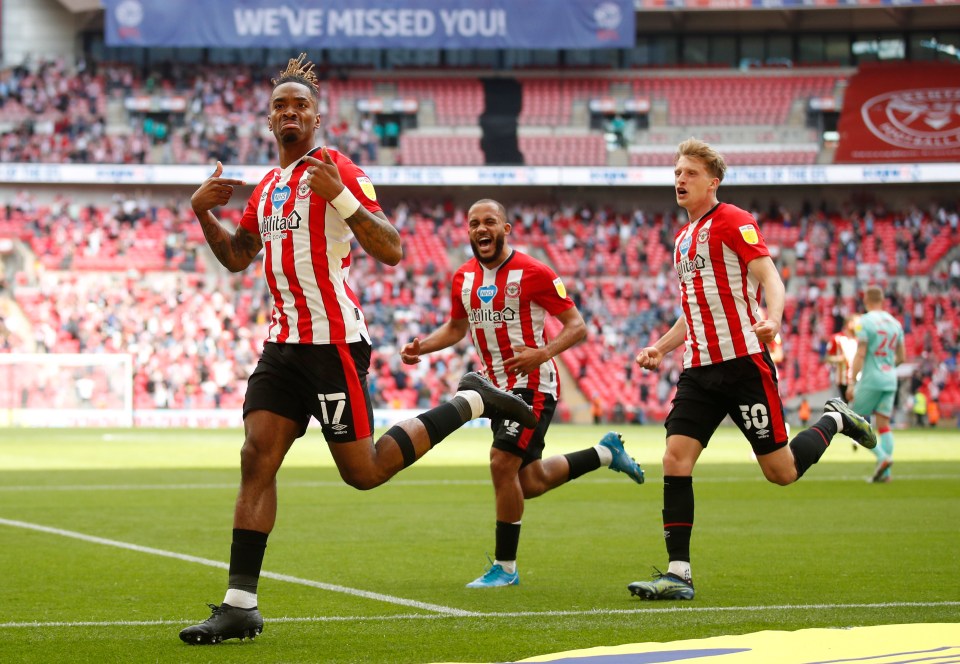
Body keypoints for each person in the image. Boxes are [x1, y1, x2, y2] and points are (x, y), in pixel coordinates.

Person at [179, 55, 536, 645]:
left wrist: (341, 197)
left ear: (316, 118)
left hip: (334, 344)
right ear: (269, 121)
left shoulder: (338, 167)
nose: (289, 113)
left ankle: (472, 402)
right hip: (283, 345)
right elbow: (239, 256)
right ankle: (240, 605)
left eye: (300, 106)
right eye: (279, 106)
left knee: (363, 473)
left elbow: (392, 248)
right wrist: (200, 212)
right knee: (255, 458)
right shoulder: (266, 188)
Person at [626, 138, 877, 601]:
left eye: (690, 173)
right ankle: (678, 574)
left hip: (743, 364)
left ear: (713, 182)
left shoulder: (734, 221)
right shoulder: (682, 239)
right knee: (675, 459)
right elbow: (696, 309)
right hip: (698, 368)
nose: (680, 179)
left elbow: (769, 278)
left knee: (780, 472)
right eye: (677, 172)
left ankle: (835, 417)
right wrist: (661, 348)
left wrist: (774, 319)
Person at [400, 198, 645, 588]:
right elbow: (456, 327)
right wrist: (421, 347)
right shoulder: (463, 277)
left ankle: (506, 569)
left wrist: (542, 354)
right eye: (474, 223)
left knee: (501, 463)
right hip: (493, 389)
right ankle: (605, 453)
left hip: (533, 385)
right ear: (468, 231)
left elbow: (576, 325)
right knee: (527, 482)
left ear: (506, 228)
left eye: (490, 222)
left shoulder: (535, 272)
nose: (482, 229)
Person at [847, 285, 906, 484]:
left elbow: (861, 353)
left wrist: (851, 382)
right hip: (890, 379)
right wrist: (887, 366)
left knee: (853, 422)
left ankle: (882, 457)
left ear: (865, 301)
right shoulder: (895, 323)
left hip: (871, 379)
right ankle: (886, 474)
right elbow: (902, 357)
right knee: (884, 424)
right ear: (883, 301)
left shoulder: (864, 321)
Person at [825, 314, 860, 402]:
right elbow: (827, 358)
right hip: (842, 380)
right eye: (857, 323)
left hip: (857, 379)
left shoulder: (859, 339)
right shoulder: (837, 338)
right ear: (849, 323)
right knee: (843, 408)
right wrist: (840, 359)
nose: (859, 326)